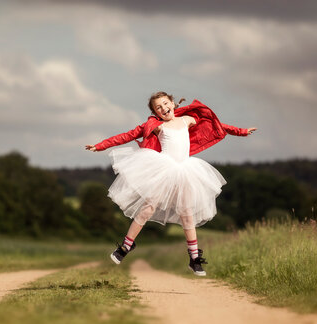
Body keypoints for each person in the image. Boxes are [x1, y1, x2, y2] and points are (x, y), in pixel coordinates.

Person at [85, 92, 257, 276]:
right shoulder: (158, 126)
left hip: (186, 171)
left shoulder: (187, 120)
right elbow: (128, 135)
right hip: (164, 170)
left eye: (165, 104)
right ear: (155, 113)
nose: (163, 108)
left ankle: (194, 258)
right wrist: (100, 145)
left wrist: (240, 131)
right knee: (148, 207)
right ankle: (126, 246)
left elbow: (215, 125)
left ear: (173, 103)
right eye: (158, 107)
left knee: (187, 214)